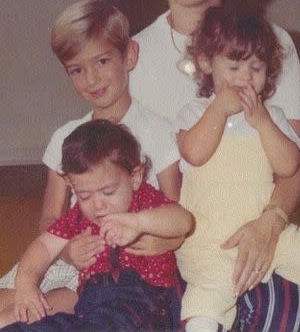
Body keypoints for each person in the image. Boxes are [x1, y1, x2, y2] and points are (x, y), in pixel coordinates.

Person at [130, 0, 300, 330]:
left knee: (288, 311)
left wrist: (270, 224)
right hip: (168, 236)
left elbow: (297, 156)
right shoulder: (132, 54)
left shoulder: (273, 44)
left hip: (244, 230)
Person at [174, 6, 300, 332]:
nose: (245, 78)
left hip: (266, 233)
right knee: (209, 291)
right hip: (210, 239)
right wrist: (218, 110)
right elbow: (193, 153)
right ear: (206, 63)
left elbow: (290, 164)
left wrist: (263, 123)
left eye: (256, 68)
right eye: (233, 67)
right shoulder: (195, 112)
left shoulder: (271, 116)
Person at [0, 0, 182, 327]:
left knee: (19, 316)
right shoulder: (66, 137)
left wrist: (161, 241)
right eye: (77, 70)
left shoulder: (159, 133)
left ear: (129, 55)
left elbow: (179, 212)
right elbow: (50, 219)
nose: (92, 79)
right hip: (66, 251)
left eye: (101, 61)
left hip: (118, 269)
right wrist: (69, 251)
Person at [0, 119, 194, 331]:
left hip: (144, 305)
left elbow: (183, 220)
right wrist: (26, 283)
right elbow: (44, 246)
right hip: (89, 307)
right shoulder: (79, 217)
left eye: (108, 192)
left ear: (135, 178)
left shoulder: (144, 201)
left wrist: (139, 222)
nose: (98, 205)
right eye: (84, 195)